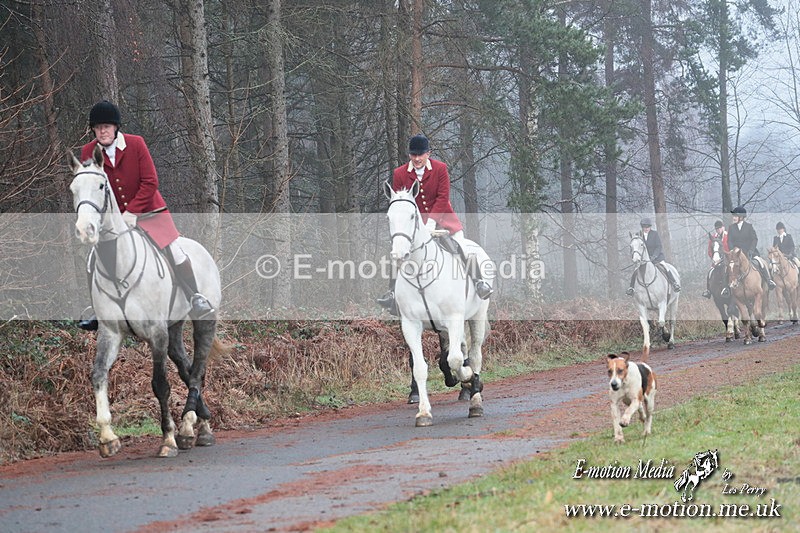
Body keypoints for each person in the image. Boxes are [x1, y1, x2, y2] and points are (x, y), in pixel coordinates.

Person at [77, 100, 214, 331]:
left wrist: (132, 212)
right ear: (93, 129)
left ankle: (195, 297)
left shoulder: (136, 144)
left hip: (149, 213)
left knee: (176, 252)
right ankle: (97, 310)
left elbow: (150, 182)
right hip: (112, 221)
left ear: (116, 127)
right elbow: (90, 187)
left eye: (107, 126)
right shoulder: (87, 152)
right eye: (98, 127)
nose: (102, 131)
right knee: (92, 259)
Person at [377, 134, 492, 315]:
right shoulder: (399, 173)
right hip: (415, 227)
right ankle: (392, 294)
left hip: (445, 222)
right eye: (413, 155)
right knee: (399, 253)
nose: (417, 159)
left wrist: (431, 222)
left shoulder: (440, 169)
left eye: (420, 155)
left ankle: (479, 283)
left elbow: (442, 198)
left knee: (463, 247)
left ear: (428, 153)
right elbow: (402, 204)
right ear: (409, 155)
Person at [723, 205, 775, 295]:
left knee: (760, 262)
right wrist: (733, 250)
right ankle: (726, 288)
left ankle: (769, 280)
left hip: (749, 251)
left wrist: (751, 249)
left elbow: (754, 239)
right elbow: (729, 241)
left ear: (741, 217)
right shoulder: (731, 227)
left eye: (735, 216)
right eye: (734, 216)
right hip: (735, 254)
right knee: (727, 267)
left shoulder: (749, 227)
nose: (734, 217)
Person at [626, 217, 680, 295]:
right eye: (645, 227)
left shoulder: (654, 234)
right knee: (635, 271)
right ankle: (631, 288)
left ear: (650, 227)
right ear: (642, 227)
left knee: (665, 267)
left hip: (657, 257)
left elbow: (658, 246)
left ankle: (674, 284)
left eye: (648, 227)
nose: (646, 228)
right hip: (644, 259)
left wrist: (654, 256)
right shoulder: (639, 236)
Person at [702, 220, 729, 298]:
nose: (718, 230)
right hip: (717, 261)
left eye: (720, 228)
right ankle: (708, 291)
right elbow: (710, 251)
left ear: (723, 228)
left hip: (727, 260)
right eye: (717, 229)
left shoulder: (728, 236)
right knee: (710, 273)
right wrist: (714, 258)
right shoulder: (713, 238)